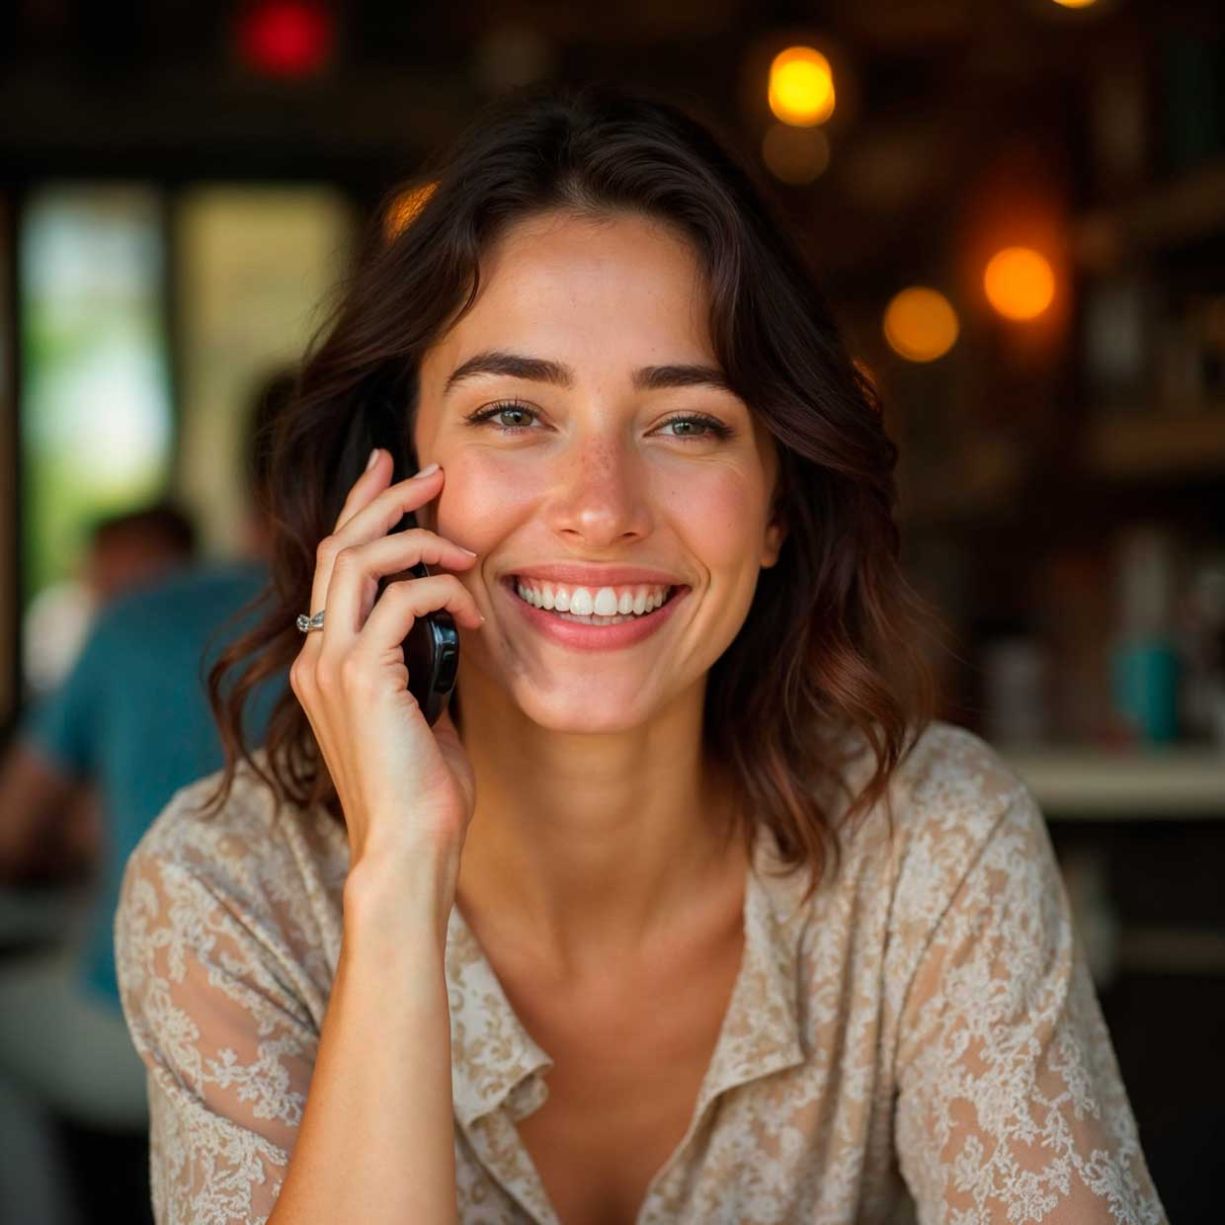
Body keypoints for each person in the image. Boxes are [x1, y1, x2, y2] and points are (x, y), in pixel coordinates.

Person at [114, 82, 1167, 1224]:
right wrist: (401, 877)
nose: (601, 508)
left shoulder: (932, 845)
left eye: (686, 423)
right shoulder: (229, 887)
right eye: (513, 413)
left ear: (776, 506)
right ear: (396, 479)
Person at [0, 371, 292, 1222]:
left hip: (131, 1030)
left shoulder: (136, 624)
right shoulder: (413, 631)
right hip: (330, 1026)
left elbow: (13, 833)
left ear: (247, 485)